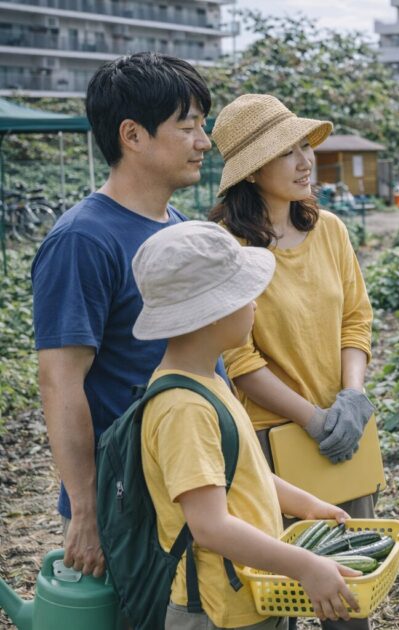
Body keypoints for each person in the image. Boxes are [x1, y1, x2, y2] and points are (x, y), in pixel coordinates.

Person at [32, 52, 216, 578]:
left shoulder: (173, 223)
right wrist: (87, 510)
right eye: (188, 127)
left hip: (181, 480)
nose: (203, 142)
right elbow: (60, 381)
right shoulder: (82, 240)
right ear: (132, 135)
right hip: (127, 500)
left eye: (202, 127)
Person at [132, 221, 361, 629]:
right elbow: (210, 527)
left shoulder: (210, 383)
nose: (256, 304)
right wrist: (304, 565)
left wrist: (306, 505)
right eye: (245, 295)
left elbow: (241, 473)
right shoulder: (184, 409)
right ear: (211, 314)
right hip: (217, 612)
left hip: (249, 595)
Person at [208, 94, 375, 630]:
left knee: (349, 594)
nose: (306, 162)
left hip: (343, 436)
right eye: (288, 152)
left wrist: (350, 397)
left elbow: (356, 319)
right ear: (252, 171)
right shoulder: (227, 247)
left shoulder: (330, 230)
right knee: (278, 600)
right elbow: (239, 358)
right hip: (269, 447)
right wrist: (311, 417)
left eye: (306, 146)